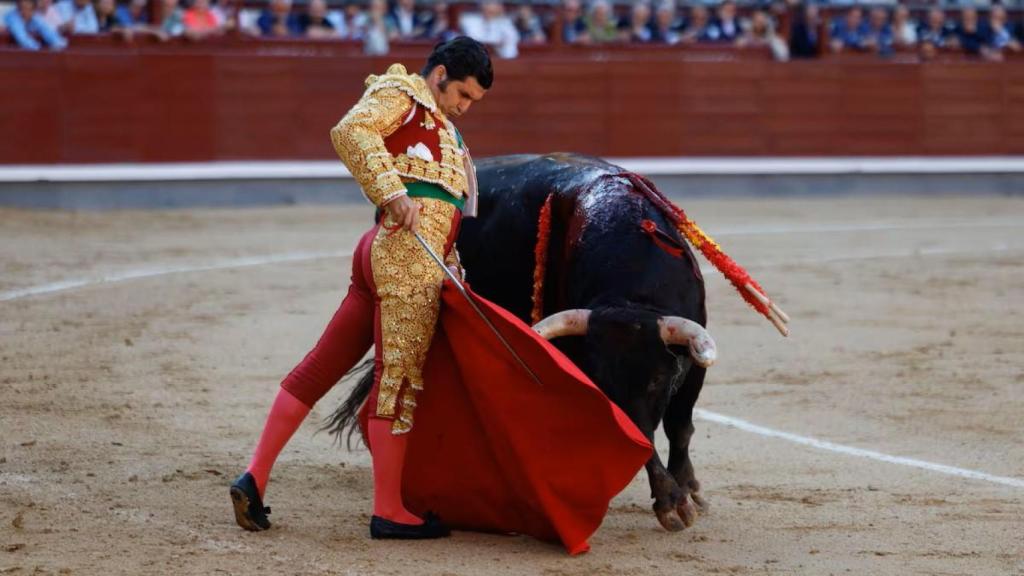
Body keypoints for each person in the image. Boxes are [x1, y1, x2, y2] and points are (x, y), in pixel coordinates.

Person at [229, 37, 492, 540]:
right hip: (402, 259)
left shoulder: (448, 134)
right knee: (397, 381)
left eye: (471, 102)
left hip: (391, 256)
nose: (463, 107)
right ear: (439, 75)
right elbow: (351, 130)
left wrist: (453, 267)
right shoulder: (405, 93)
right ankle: (389, 509)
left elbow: (446, 220)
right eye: (461, 94)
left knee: (322, 365)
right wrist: (391, 193)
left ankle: (254, 477)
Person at [3, 0, 67, 49]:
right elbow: (22, 37)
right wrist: (38, 48)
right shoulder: (13, 17)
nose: (25, 12)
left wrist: (57, 42)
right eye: (22, 8)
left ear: (34, 10)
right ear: (17, 7)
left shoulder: (35, 17)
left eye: (29, 9)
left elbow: (46, 29)